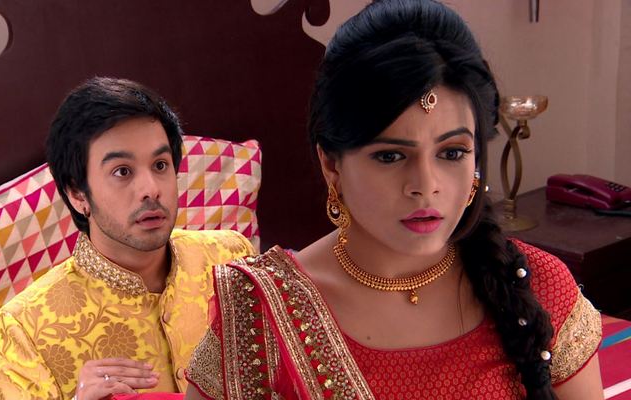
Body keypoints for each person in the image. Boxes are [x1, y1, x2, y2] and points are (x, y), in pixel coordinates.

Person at [184, 1, 603, 399]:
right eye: (390, 156)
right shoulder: (259, 317)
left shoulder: (538, 288)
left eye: (452, 153)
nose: (425, 185)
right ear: (331, 165)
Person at [0, 77, 256, 400]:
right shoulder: (22, 328)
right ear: (77, 194)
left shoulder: (230, 257)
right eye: (122, 171)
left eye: (160, 165)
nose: (151, 189)